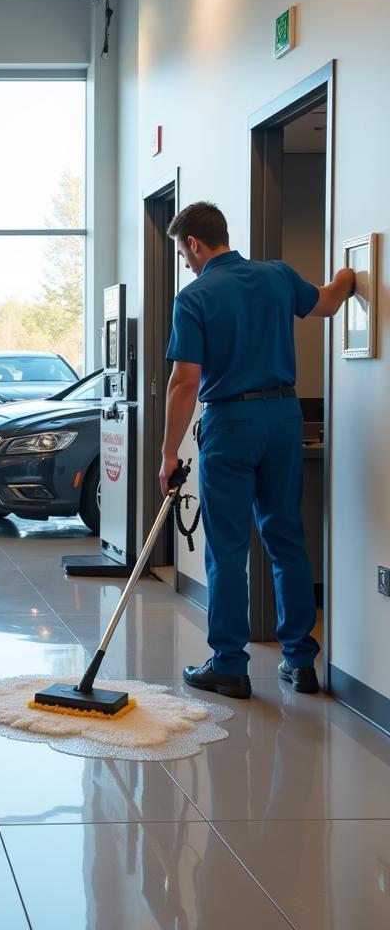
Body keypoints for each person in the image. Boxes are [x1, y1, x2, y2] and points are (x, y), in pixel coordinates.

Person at [159, 202, 354, 699]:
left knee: (227, 548)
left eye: (182, 252)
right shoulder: (278, 277)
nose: (185, 261)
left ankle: (229, 665)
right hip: (285, 418)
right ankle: (301, 661)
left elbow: (185, 383)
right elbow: (329, 303)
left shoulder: (195, 296)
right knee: (286, 538)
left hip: (230, 422)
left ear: (195, 244)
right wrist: (350, 274)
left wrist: (168, 454)